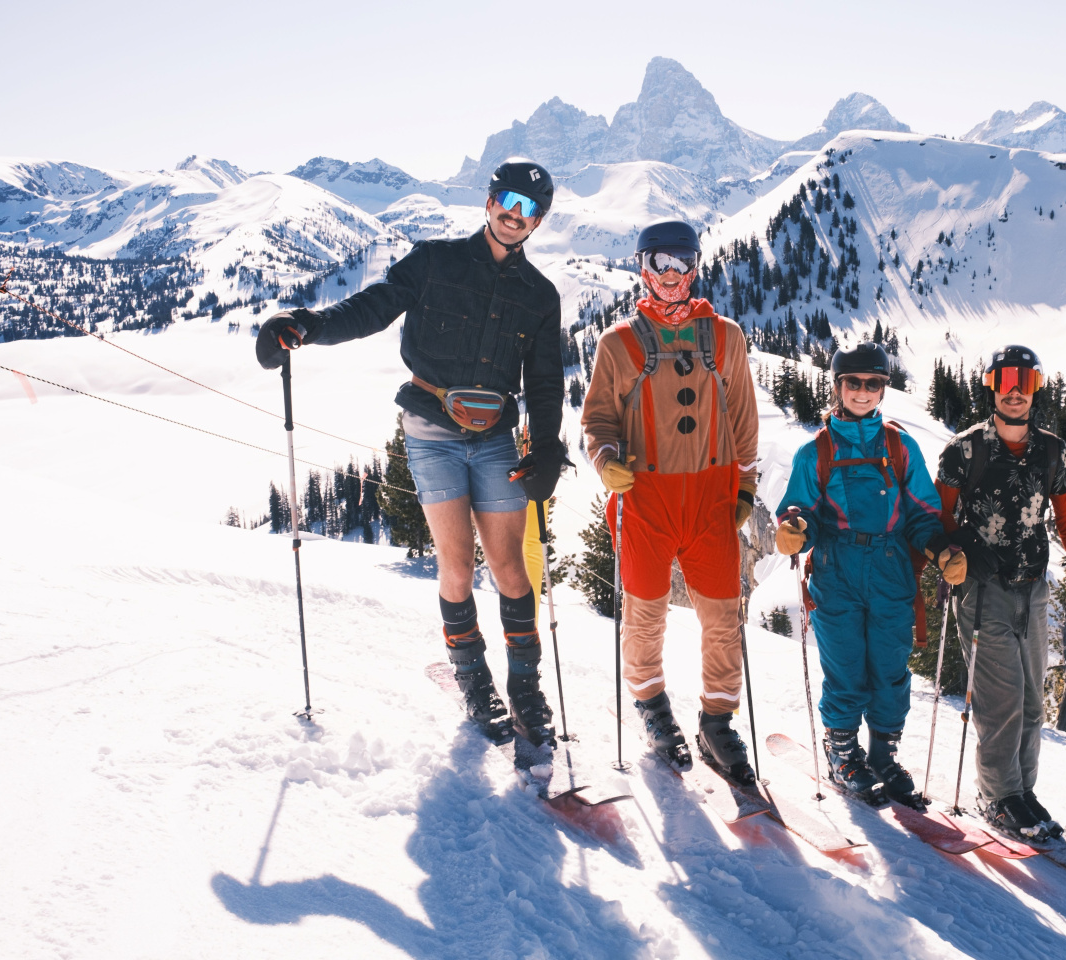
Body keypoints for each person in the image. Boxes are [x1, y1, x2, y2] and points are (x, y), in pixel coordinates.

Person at [255, 159, 567, 747]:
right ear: (489, 200)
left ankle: (525, 687)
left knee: (509, 569)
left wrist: (547, 447)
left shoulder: (540, 296)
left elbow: (546, 381)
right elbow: (372, 306)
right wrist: (306, 324)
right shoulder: (434, 260)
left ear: (539, 221)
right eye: (506, 200)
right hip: (431, 431)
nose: (513, 214)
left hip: (496, 435)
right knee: (455, 566)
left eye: (528, 209)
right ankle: (474, 679)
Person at [580, 220, 760, 782]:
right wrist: (605, 459)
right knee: (645, 613)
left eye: (683, 263)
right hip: (646, 498)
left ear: (697, 268)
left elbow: (743, 417)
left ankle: (717, 721)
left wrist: (746, 486)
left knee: (723, 616)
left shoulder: (726, 336)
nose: (673, 276)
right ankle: (650, 702)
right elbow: (598, 419)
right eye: (661, 263)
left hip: (711, 497)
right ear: (642, 268)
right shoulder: (618, 343)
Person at [773, 343, 965, 805]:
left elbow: (922, 512)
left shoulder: (901, 446)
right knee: (845, 666)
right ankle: (842, 751)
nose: (863, 391)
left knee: (890, 667)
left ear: (883, 388)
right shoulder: (814, 450)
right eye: (854, 383)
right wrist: (796, 526)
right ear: (838, 387)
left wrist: (939, 547)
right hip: (837, 568)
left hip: (890, 568)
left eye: (873, 383)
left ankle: (882, 754)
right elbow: (802, 507)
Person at [934, 344, 1066, 838]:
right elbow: (937, 520)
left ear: (1036, 388)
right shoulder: (965, 450)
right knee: (1001, 703)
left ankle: (1020, 793)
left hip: (1032, 592)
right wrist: (964, 546)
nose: (1015, 390)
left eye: (1025, 381)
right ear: (991, 384)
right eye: (1006, 379)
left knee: (1033, 702)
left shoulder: (1052, 452)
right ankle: (997, 797)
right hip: (982, 592)